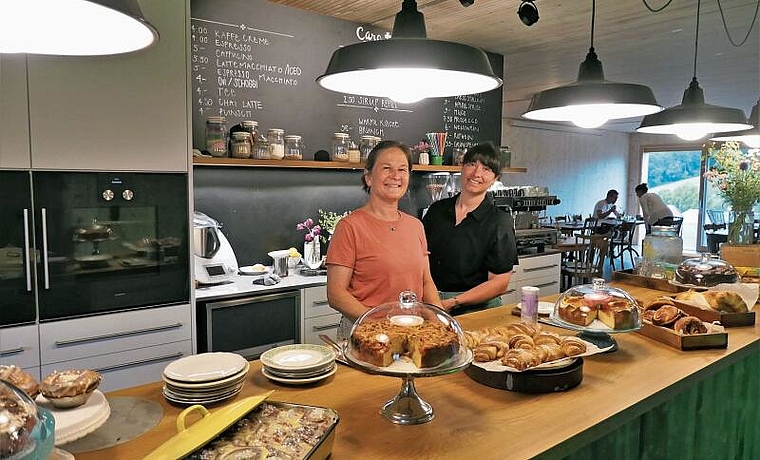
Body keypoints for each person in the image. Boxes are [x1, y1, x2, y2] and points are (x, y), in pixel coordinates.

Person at [326, 140, 441, 336]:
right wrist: (380, 326)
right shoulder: (349, 227)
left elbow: (426, 283)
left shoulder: (416, 226)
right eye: (387, 168)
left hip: (413, 330)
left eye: (402, 170)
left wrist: (438, 320)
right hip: (365, 333)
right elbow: (336, 294)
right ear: (369, 177)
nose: (396, 176)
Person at [422, 141, 518, 314]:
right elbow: (420, 257)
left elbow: (500, 282)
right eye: (472, 164)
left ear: (495, 178)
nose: (476, 173)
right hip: (431, 302)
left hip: (478, 309)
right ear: (462, 167)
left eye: (486, 169)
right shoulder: (437, 210)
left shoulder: (499, 221)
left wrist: (453, 302)